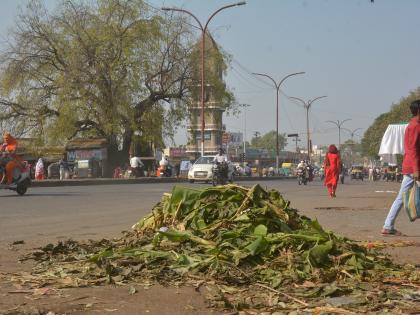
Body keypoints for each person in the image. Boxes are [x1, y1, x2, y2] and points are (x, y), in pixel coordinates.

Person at [382, 100, 420, 236]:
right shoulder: (415, 126)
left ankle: (388, 225)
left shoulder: (414, 125)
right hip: (413, 168)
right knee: (400, 197)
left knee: (400, 197)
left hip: (411, 166)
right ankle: (387, 225)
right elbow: (413, 149)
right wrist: (416, 169)